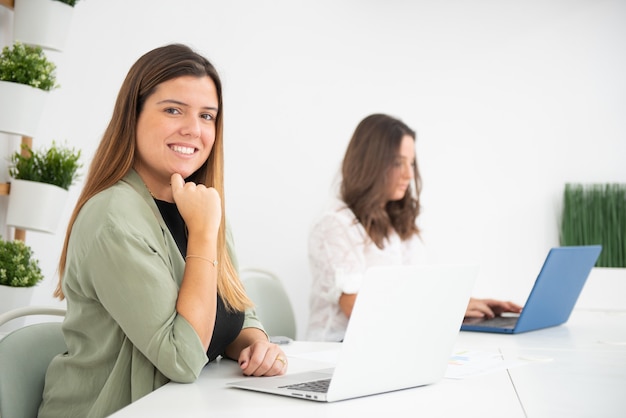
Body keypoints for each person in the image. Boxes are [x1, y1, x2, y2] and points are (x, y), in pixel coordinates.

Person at [38, 44, 287, 418]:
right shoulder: (113, 217)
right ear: (132, 115)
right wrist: (203, 236)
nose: (194, 129)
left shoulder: (200, 204)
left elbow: (236, 311)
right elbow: (183, 358)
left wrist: (257, 345)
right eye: (173, 110)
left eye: (207, 116)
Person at [306, 113, 522, 342]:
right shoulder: (334, 224)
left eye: (411, 163)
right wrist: (447, 308)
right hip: (338, 348)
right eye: (398, 163)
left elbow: (414, 292)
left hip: (392, 342)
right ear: (370, 164)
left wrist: (462, 303)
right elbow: (359, 310)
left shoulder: (396, 222)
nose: (409, 174)